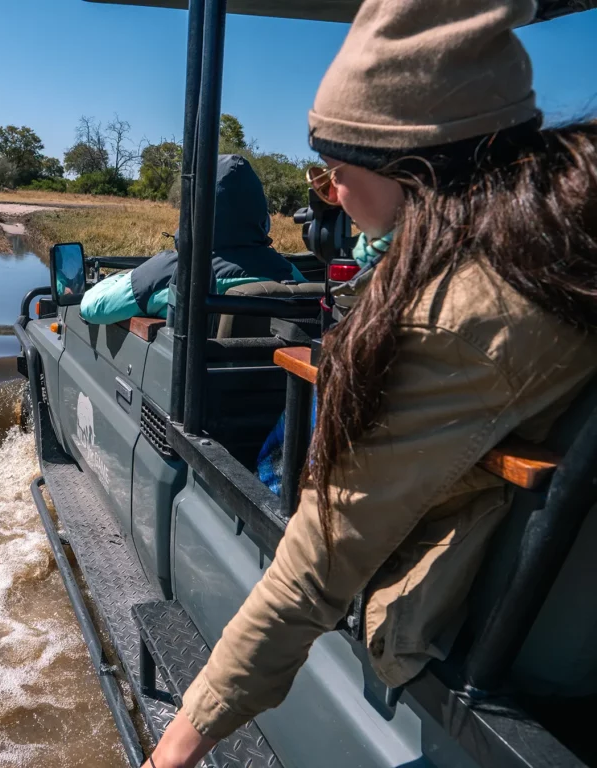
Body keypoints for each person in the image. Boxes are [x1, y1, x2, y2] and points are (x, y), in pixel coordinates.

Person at [147, 0, 597, 765]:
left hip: (502, 665)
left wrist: (177, 746)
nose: (333, 194)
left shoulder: (457, 324)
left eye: (336, 172)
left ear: (412, 171)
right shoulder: (554, 241)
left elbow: (317, 564)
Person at [79, 154, 303, 324]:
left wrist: (120, 277)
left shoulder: (169, 271)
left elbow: (93, 308)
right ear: (261, 217)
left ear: (193, 212)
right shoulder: (287, 272)